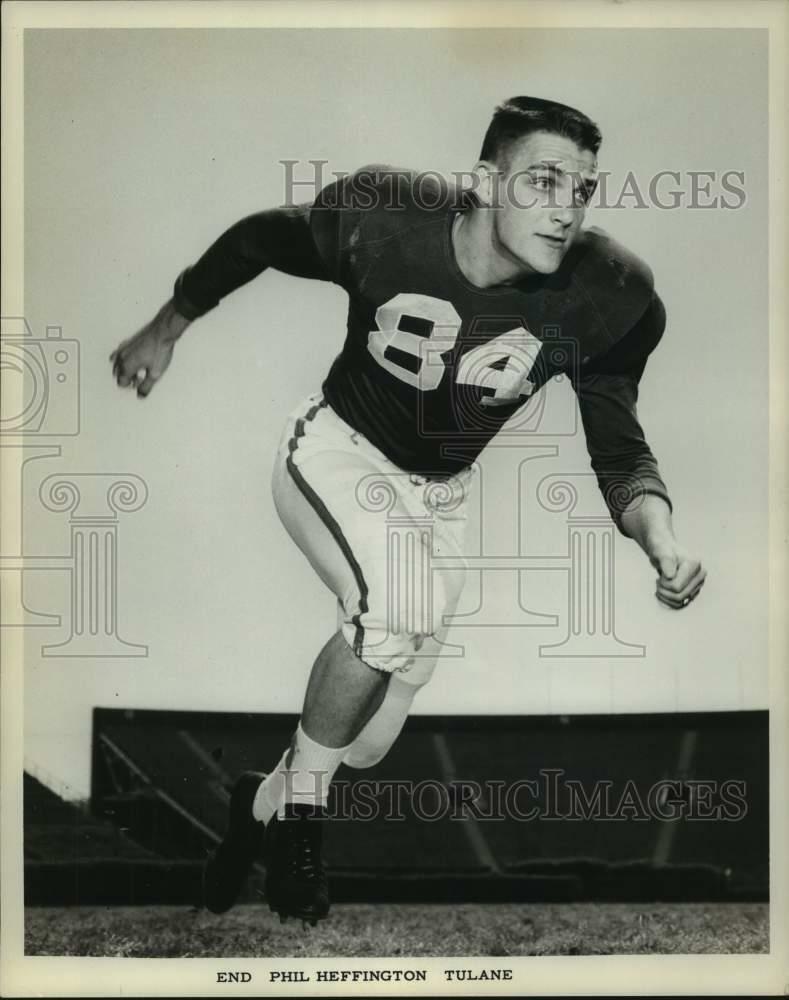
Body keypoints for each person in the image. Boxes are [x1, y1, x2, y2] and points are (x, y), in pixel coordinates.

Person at [110, 96, 706, 926]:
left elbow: (619, 447)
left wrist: (661, 540)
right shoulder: (386, 219)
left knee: (366, 740)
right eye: (541, 180)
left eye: (581, 188)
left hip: (441, 499)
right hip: (337, 450)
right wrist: (164, 328)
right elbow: (256, 240)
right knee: (389, 610)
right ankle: (305, 823)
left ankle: (259, 808)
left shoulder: (604, 295)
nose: (564, 208)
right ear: (484, 181)